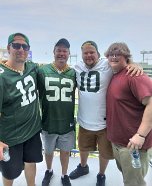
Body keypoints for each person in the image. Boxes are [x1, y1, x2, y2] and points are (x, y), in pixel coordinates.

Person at [69, 41, 143, 186]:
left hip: (105, 122)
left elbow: (123, 63)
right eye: (85, 53)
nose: (89, 55)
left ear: (98, 53)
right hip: (84, 120)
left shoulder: (107, 65)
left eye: (92, 52)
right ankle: (83, 167)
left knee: (105, 153)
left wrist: (134, 64)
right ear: (81, 54)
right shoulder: (77, 67)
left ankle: (101, 174)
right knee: (83, 148)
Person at [105, 42, 152, 186]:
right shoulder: (116, 75)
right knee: (128, 177)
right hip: (119, 143)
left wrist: (141, 135)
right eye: (110, 54)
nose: (113, 57)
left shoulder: (134, 76)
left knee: (134, 183)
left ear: (126, 57)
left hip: (132, 145)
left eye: (117, 54)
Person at [0, 33, 43, 186]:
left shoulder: (31, 67)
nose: (21, 49)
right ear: (8, 48)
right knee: (9, 172)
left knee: (32, 162)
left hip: (32, 130)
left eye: (25, 46)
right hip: (10, 138)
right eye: (16, 45)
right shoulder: (2, 77)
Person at [38, 38, 76, 186]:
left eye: (64, 51)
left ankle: (64, 174)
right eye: (58, 50)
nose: (61, 53)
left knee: (65, 152)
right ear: (54, 52)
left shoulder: (74, 72)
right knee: (48, 151)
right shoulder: (42, 71)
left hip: (67, 122)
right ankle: (49, 170)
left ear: (69, 53)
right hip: (48, 121)